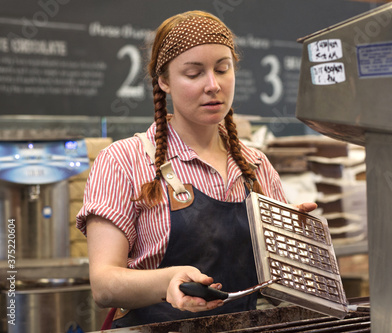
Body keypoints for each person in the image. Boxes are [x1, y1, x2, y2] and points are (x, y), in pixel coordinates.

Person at [76, 10, 317, 329]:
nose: (213, 85)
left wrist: (296, 242)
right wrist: (167, 281)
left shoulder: (255, 165)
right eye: (193, 73)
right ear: (164, 81)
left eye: (222, 69)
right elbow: (105, 286)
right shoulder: (123, 161)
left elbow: (280, 288)